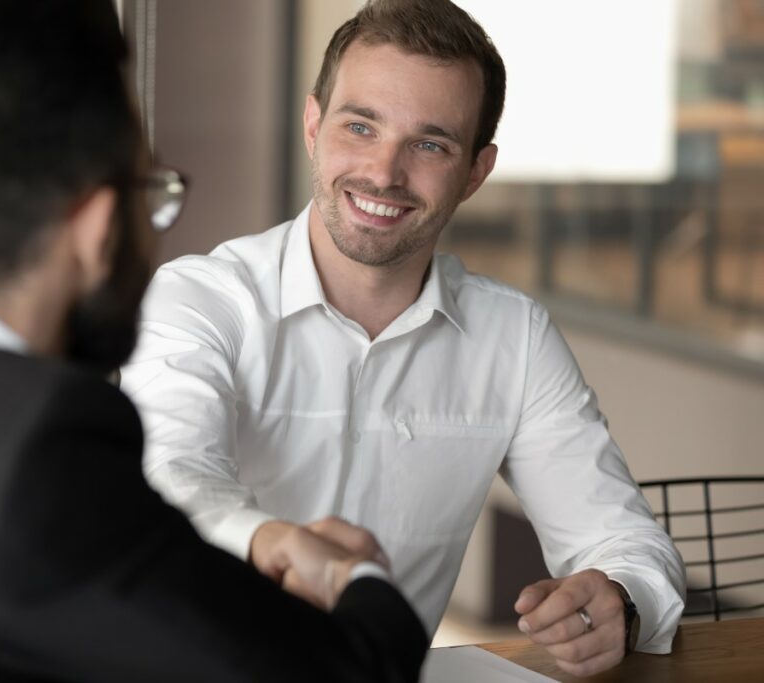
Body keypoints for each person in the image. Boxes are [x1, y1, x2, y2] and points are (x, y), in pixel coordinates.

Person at [0, 1, 428, 680]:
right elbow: (353, 670)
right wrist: (354, 574)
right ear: (99, 226)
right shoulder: (36, 453)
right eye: (152, 194)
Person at [120, 0, 686, 677]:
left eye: (429, 144)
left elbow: (625, 541)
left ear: (476, 171)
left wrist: (620, 599)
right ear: (312, 125)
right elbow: (167, 480)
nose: (384, 172)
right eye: (360, 126)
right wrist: (276, 542)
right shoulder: (200, 300)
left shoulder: (514, 337)